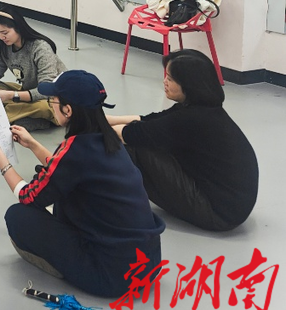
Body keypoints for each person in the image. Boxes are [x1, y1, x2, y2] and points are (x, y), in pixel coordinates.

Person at [0, 70, 165, 298]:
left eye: (53, 101)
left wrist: (1, 159)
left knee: (17, 216)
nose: (51, 105)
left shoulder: (75, 149)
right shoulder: (110, 141)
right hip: (148, 264)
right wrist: (33, 144)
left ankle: (64, 267)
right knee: (63, 193)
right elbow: (68, 170)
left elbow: (28, 196)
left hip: (112, 276)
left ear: (68, 110)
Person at [106, 49, 258, 231]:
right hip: (231, 207)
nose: (164, 81)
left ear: (188, 85)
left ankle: (108, 199)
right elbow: (150, 120)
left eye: (170, 79)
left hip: (219, 215)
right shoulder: (202, 107)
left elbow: (131, 134)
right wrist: (106, 119)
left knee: (134, 147)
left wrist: (91, 125)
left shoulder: (191, 119)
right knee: (148, 137)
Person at [0, 4, 66, 129]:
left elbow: (46, 90)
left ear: (18, 27)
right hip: (26, 92)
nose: (1, 37)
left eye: (5, 32)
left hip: (52, 99)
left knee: (42, 107)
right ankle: (16, 114)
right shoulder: (4, 45)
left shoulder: (40, 48)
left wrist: (12, 95)